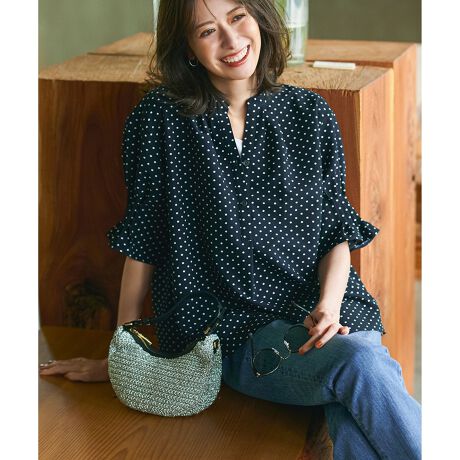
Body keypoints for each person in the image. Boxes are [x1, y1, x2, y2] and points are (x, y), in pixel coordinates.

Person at [40, 0, 421, 458]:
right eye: (207, 31)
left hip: (333, 311)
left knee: (357, 382)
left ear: (259, 17)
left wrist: (329, 305)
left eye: (238, 17)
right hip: (236, 333)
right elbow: (143, 240)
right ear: (187, 47)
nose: (231, 40)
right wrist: (122, 353)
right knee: (360, 365)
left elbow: (335, 232)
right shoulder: (160, 120)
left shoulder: (311, 114)